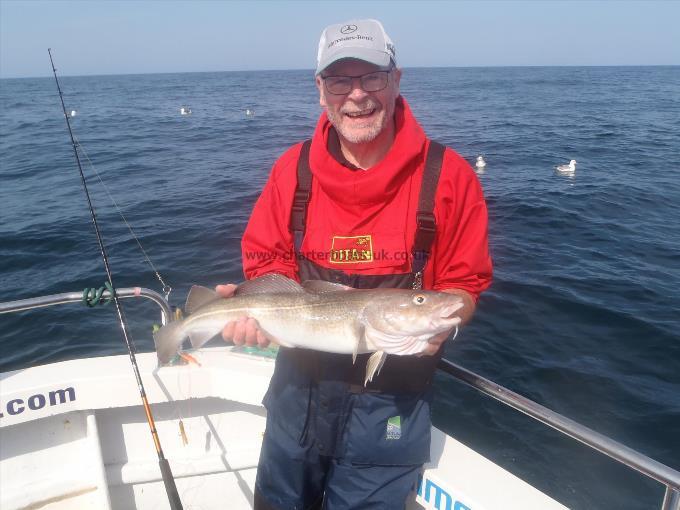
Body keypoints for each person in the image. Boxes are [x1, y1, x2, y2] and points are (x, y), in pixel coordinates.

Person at [217, 19, 492, 510]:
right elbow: (265, 261)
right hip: (295, 396)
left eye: (372, 77)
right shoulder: (290, 171)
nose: (357, 96)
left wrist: (439, 328)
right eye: (339, 80)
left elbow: (462, 288)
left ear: (397, 79)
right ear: (320, 89)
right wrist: (252, 307)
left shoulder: (449, 177)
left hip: (393, 405)